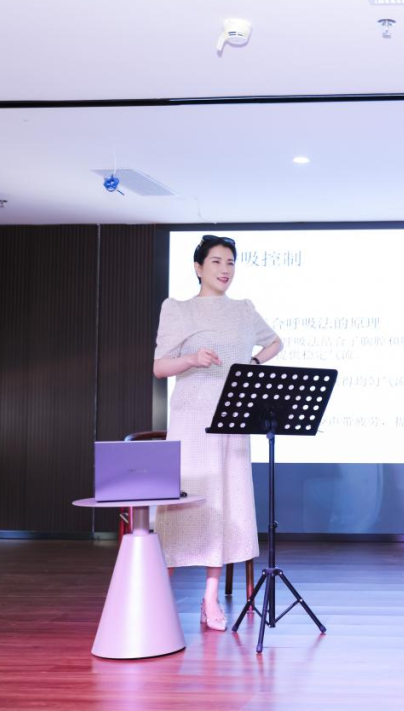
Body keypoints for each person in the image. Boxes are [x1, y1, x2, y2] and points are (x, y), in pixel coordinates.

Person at [152, 235, 283, 631]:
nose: (225, 270)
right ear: (198, 267)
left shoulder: (243, 310)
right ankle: (157, 597)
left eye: (230, 262)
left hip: (232, 416)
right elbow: (159, 367)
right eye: (216, 262)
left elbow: (275, 343)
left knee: (226, 502)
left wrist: (252, 364)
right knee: (186, 501)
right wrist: (192, 359)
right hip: (192, 417)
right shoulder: (178, 309)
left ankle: (209, 599)